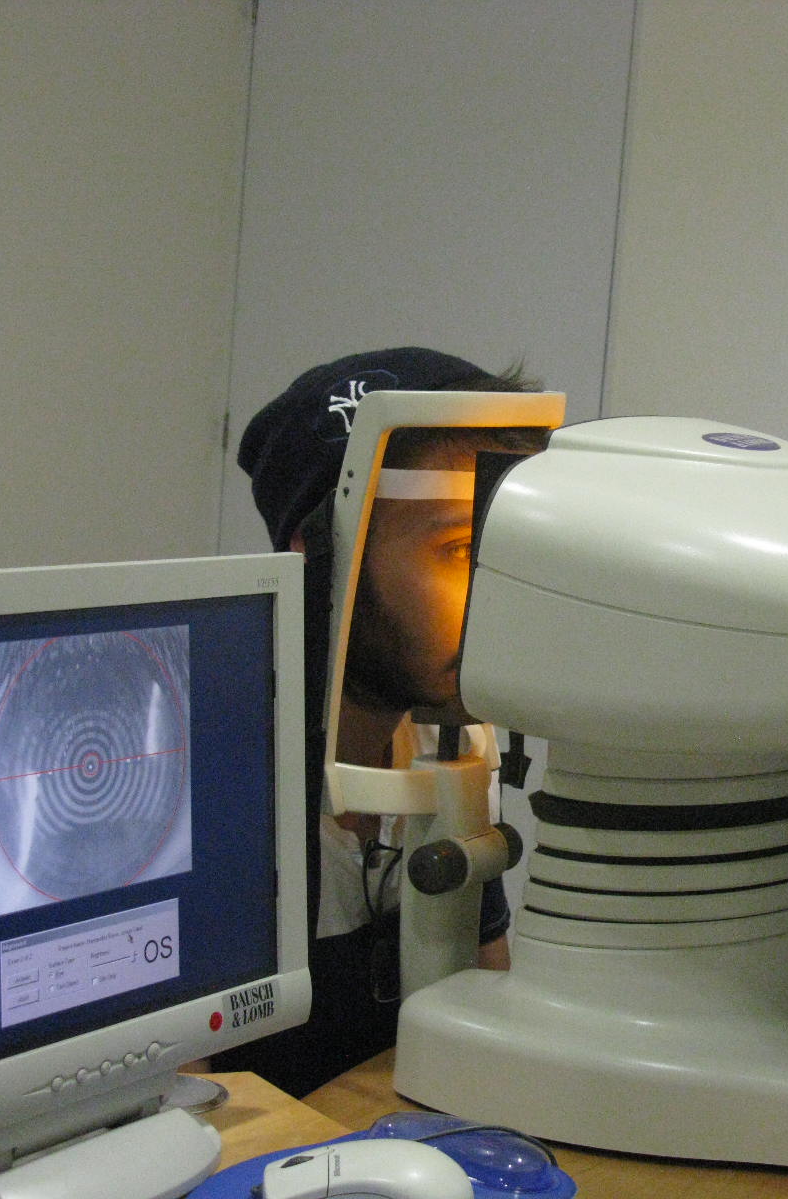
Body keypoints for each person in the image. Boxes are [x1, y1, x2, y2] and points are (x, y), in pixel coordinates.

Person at [209, 347, 551, 1096]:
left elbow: (487, 1011)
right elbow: (166, 1116)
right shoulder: (214, 784)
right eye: (459, 549)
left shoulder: (446, 740)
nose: (498, 599)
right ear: (321, 553)